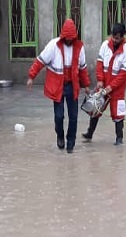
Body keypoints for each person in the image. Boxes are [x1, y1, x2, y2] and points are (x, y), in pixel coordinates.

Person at [27, 19, 90, 153]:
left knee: (73, 117)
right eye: (66, 39)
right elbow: (40, 61)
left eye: (71, 39)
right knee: (59, 116)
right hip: (58, 86)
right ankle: (60, 136)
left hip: (72, 85)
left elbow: (83, 68)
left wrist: (86, 85)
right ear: (62, 36)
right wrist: (31, 76)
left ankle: (71, 143)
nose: (68, 41)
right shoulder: (53, 45)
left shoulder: (80, 47)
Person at [82, 23, 126, 145]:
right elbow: (99, 64)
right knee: (95, 108)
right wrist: (100, 81)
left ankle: (119, 139)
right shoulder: (105, 45)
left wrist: (111, 87)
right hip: (103, 84)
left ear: (122, 37)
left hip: (117, 88)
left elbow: (123, 75)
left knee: (118, 113)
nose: (114, 40)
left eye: (117, 38)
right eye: (113, 37)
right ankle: (89, 133)